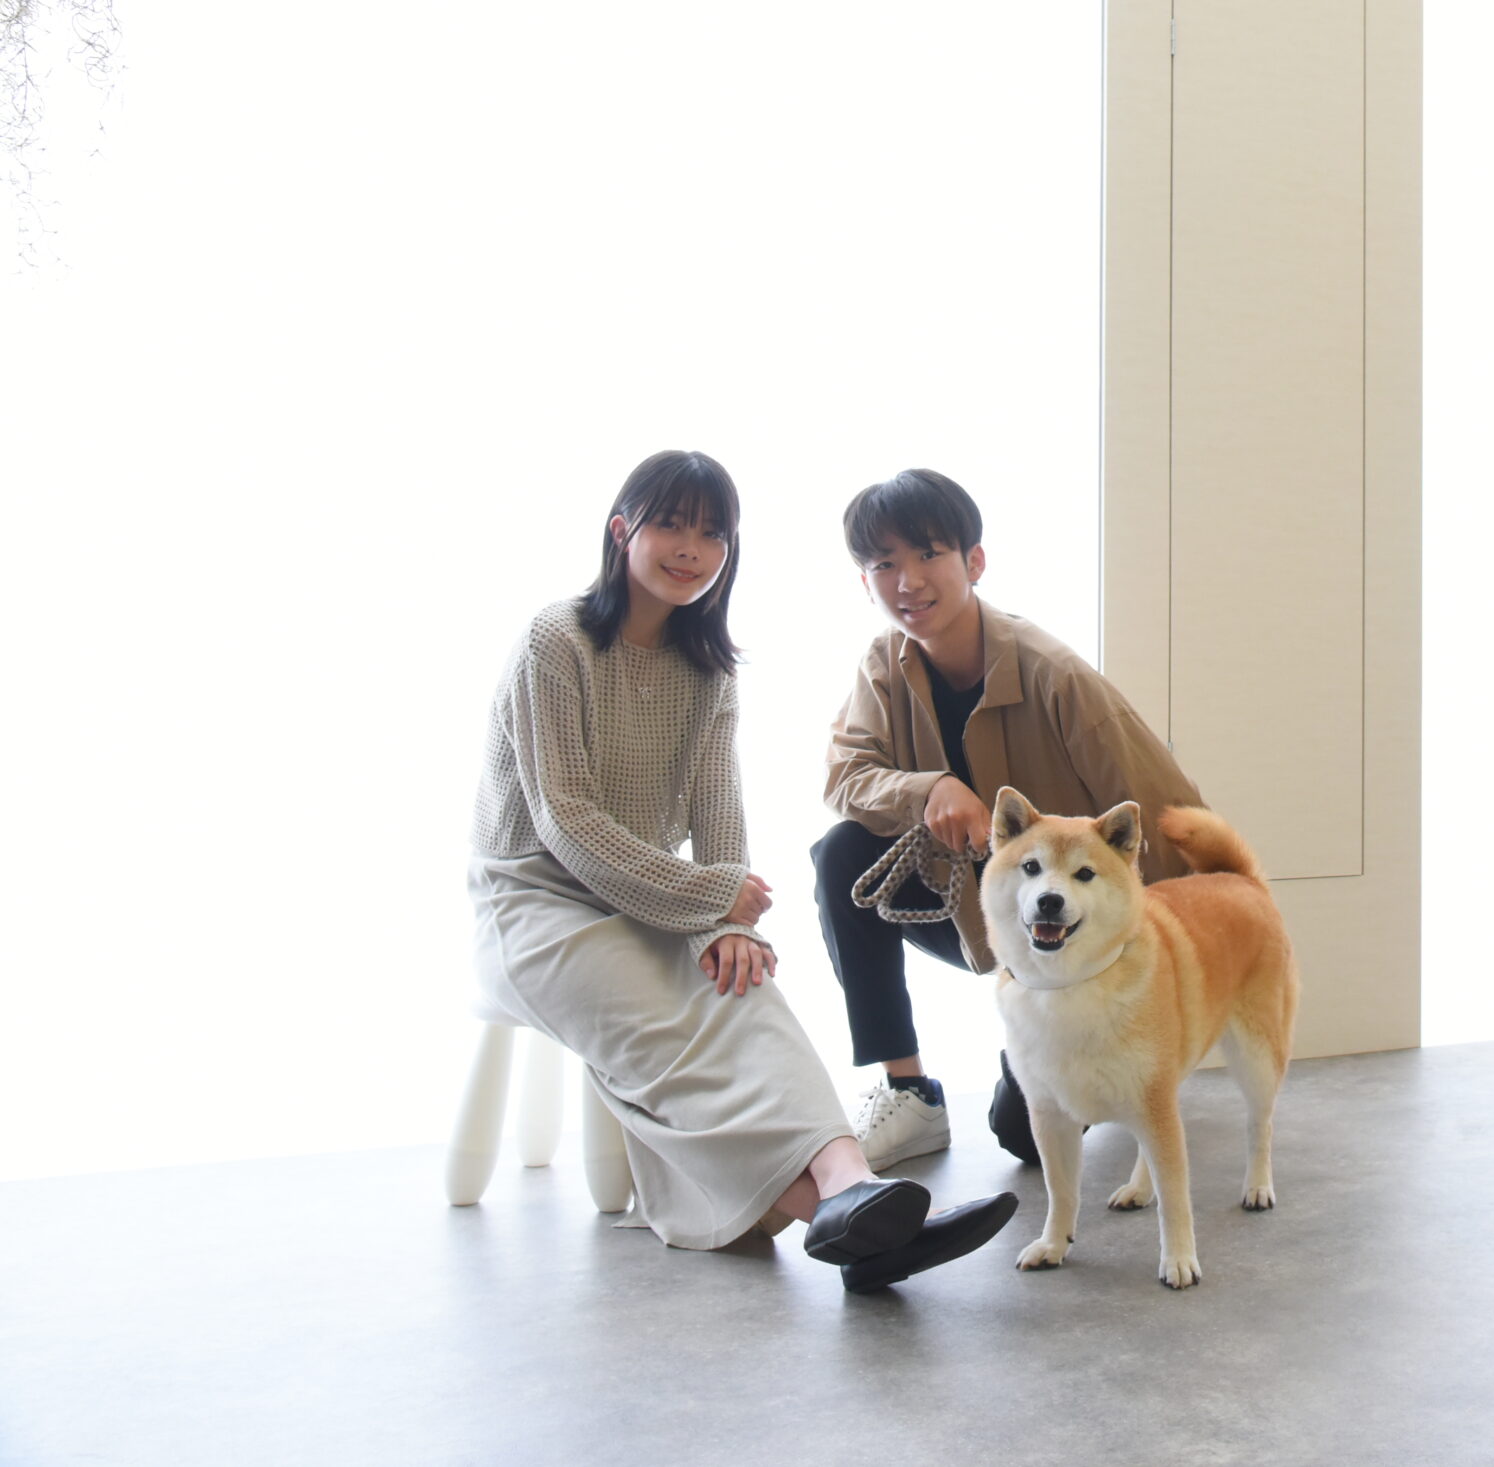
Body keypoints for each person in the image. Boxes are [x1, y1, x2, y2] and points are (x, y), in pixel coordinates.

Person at [469, 449, 1016, 1293]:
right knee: (670, 1040)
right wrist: (710, 896)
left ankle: (850, 1187)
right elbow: (564, 821)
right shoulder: (558, 640)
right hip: (532, 901)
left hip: (650, 897)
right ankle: (850, 1224)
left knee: (749, 995)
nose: (692, 549)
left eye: (713, 533)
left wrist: (728, 922)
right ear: (621, 532)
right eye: (671, 526)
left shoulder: (707, 669)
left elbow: (720, 814)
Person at [811, 468, 1203, 1167]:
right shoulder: (883, 664)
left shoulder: (1055, 674)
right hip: (972, 906)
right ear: (864, 581)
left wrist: (1180, 970)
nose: (908, 581)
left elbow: (1164, 807)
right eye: (884, 564)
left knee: (1023, 1134)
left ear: (974, 561)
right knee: (840, 854)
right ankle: (909, 1093)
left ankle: (1083, 1041)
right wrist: (931, 788)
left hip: (1071, 925)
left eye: (928, 553)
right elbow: (845, 775)